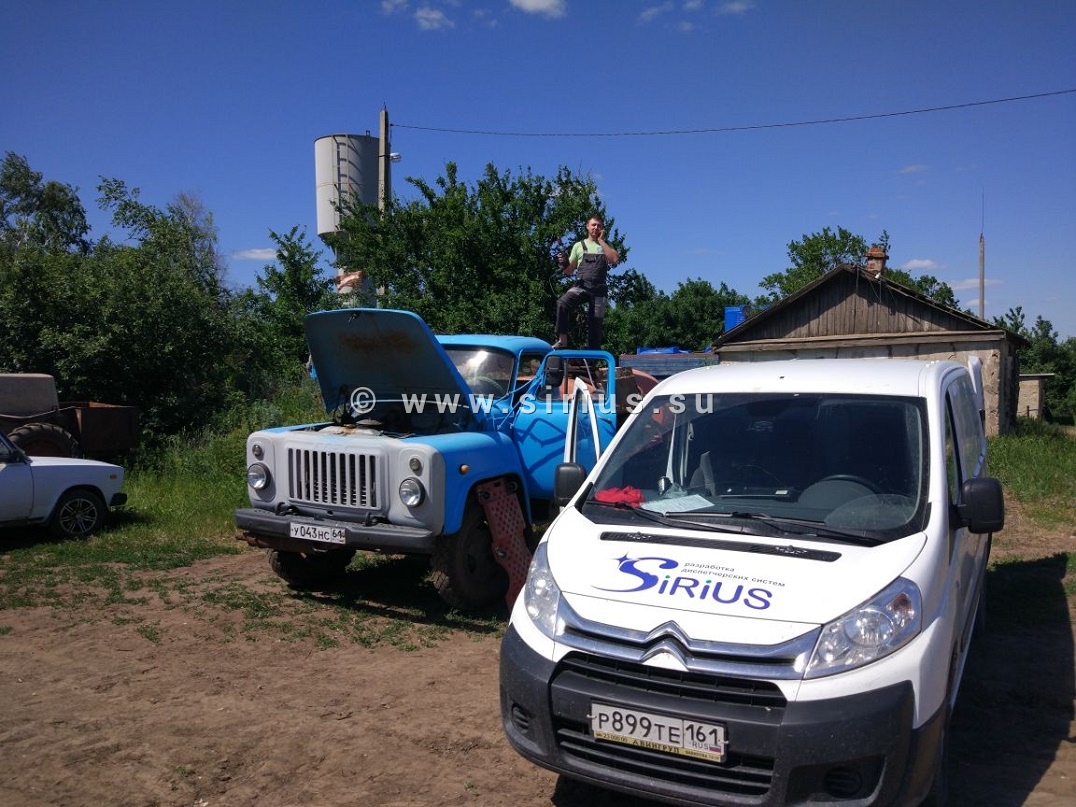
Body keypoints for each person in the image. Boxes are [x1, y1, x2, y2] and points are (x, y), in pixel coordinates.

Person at [554, 215, 619, 350]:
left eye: (599, 225)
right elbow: (569, 271)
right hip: (581, 286)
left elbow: (614, 260)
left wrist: (601, 240)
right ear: (587, 227)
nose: (596, 227)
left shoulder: (605, 246)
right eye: (593, 225)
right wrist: (563, 263)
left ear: (602, 229)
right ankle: (562, 340)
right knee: (562, 303)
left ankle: (592, 357)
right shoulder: (579, 246)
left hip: (600, 290)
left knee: (596, 324)